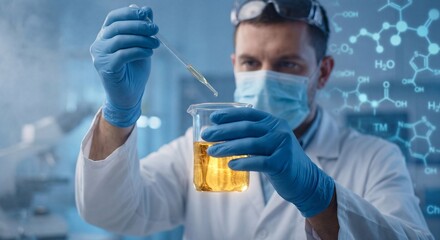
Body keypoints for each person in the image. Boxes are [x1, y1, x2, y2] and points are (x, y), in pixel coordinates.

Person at [75, 0, 434, 239]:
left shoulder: (375, 158)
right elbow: (110, 212)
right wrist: (118, 113)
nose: (263, 77)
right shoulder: (197, 149)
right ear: (234, 66)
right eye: (250, 63)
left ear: (323, 73)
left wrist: (318, 195)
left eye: (287, 64)